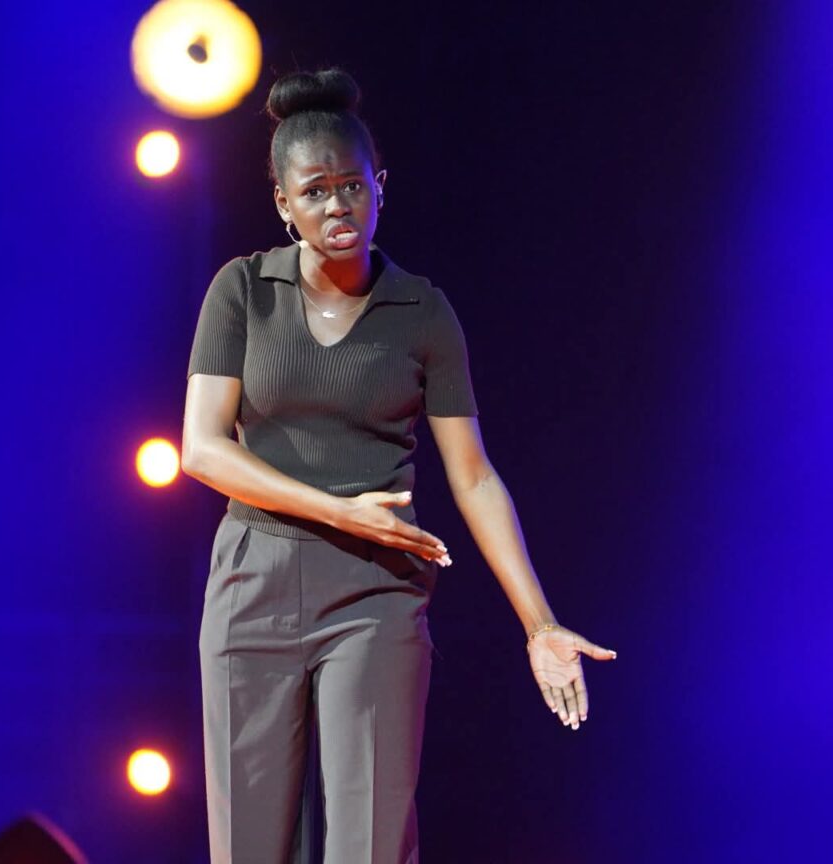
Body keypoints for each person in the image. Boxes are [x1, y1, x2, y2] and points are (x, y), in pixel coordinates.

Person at [180, 67, 617, 864]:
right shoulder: (243, 291)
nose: (337, 206)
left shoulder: (422, 311)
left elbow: (474, 474)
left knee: (369, 844)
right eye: (314, 191)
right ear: (284, 205)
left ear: (379, 186)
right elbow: (203, 449)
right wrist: (335, 508)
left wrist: (539, 622)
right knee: (247, 845)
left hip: (375, 591)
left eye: (351, 186)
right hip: (254, 579)